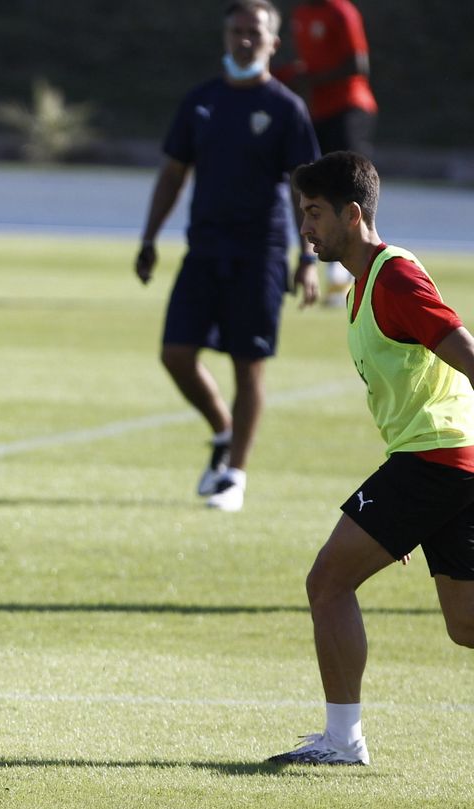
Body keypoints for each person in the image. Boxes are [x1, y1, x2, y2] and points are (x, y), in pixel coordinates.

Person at [272, 151, 474, 765]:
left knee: (327, 582)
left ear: (352, 214)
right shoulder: (367, 283)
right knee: (466, 626)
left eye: (313, 214)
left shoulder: (393, 279)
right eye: (300, 213)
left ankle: (342, 742)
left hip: (435, 461)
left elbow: (466, 350)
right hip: (446, 462)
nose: (305, 227)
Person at [135, 0, 321, 513]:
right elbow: (174, 173)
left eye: (253, 33)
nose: (243, 40)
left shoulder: (286, 109)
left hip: (259, 253)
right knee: (175, 354)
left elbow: (303, 190)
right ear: (224, 35)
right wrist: (149, 237)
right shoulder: (201, 100)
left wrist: (307, 257)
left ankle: (234, 476)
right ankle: (222, 430)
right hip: (204, 249)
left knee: (249, 366)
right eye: (236, 30)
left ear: (273, 43)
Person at [278, 0, 379, 303]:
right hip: (318, 112)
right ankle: (328, 267)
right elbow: (312, 61)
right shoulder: (301, 13)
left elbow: (358, 65)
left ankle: (356, 274)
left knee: (350, 192)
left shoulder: (341, 11)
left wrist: (312, 78)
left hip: (348, 109)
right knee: (311, 187)